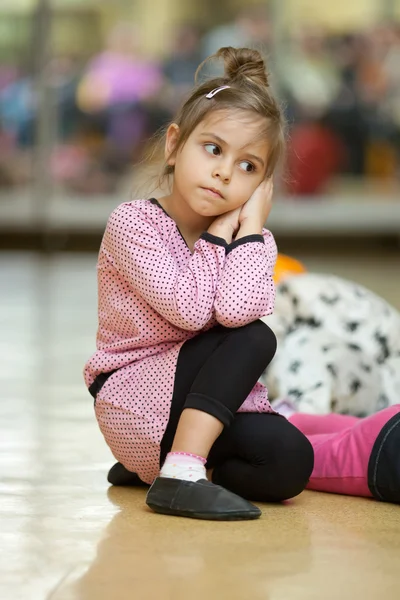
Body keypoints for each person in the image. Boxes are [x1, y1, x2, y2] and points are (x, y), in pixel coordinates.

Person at [83, 47, 314, 521]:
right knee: (254, 337)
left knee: (289, 462)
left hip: (184, 410)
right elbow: (192, 311)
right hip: (130, 394)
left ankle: (163, 464)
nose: (225, 172)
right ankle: (179, 475)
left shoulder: (253, 240)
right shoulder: (134, 223)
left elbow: (235, 309)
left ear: (263, 185)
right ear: (173, 146)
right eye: (213, 149)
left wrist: (249, 231)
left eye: (249, 166)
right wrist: (218, 236)